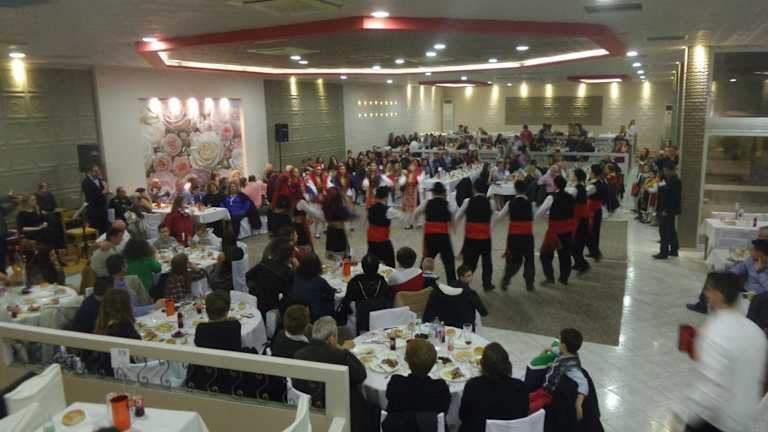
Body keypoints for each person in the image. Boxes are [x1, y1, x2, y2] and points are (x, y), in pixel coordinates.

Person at [685, 272, 767, 432]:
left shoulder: (715, 330)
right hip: (746, 421)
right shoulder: (756, 332)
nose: (706, 294)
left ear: (718, 295)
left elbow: (712, 391)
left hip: (717, 423)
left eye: (709, 290)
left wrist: (690, 422)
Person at [294, 317, 367, 432]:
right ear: (332, 338)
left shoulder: (299, 354)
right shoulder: (338, 356)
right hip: (338, 408)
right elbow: (361, 375)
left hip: (308, 406)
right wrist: (342, 350)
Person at [459, 342, 529, 432]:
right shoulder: (521, 387)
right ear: (508, 364)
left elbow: (463, 416)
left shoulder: (473, 386)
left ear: (483, 365)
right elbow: (523, 416)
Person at [383, 339, 451, 431]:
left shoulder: (396, 383)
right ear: (434, 363)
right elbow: (444, 411)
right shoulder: (440, 388)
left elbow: (389, 398)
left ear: (406, 360)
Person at [687, 239, 768, 313]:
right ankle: (702, 305)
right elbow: (739, 268)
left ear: (760, 253)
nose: (751, 251)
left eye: (753, 250)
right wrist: (724, 276)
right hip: (745, 290)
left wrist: (760, 272)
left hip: (758, 296)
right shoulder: (751, 259)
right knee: (713, 277)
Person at [529, 328, 589, 418]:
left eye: (559, 340)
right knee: (526, 398)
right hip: (544, 389)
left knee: (529, 408)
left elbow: (584, 383)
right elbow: (557, 350)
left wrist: (579, 403)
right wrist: (549, 349)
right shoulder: (566, 352)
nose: (558, 343)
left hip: (549, 396)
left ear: (563, 345)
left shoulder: (572, 368)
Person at [455, 178, 501, 291]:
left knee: (469, 263)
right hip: (485, 238)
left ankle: (462, 284)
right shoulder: (491, 203)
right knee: (487, 262)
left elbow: (457, 217)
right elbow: (494, 219)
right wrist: (488, 229)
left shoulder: (467, 201)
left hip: (471, 238)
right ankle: (487, 284)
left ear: (474, 189)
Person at [412, 182, 457, 282]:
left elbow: (415, 213)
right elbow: (453, 219)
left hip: (430, 236)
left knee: (427, 258)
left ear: (433, 192)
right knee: (449, 261)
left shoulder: (426, 203)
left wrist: (416, 224)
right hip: (443, 236)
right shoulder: (448, 205)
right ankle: (452, 282)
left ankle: (419, 280)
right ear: (443, 192)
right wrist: (454, 229)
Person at [536, 176, 575, 286]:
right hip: (567, 230)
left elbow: (540, 212)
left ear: (555, 185)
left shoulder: (551, 197)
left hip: (554, 231)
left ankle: (549, 277)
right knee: (565, 255)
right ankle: (564, 278)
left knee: (545, 254)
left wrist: (549, 220)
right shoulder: (570, 197)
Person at [498, 180, 536, 291]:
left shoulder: (510, 203)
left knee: (512, 260)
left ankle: (506, 279)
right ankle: (529, 284)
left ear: (515, 189)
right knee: (529, 260)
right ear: (525, 189)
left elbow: (500, 216)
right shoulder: (531, 204)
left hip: (513, 237)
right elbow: (533, 218)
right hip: (527, 236)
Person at [423, 265, 488, 329]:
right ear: (461, 277)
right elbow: (483, 312)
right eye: (468, 276)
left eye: (471, 275)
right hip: (465, 326)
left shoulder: (446, 288)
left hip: (447, 324)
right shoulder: (470, 293)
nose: (471, 277)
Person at [247, 240, 295, 321]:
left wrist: (255, 289)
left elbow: (248, 275)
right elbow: (289, 295)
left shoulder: (264, 262)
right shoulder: (287, 273)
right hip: (273, 306)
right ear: (290, 257)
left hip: (257, 300)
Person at [288, 252, 335, 322]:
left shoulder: (294, 275)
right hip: (313, 314)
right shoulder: (319, 281)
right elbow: (331, 294)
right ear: (317, 266)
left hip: (294, 308)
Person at [341, 254, 391, 318]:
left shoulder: (354, 282)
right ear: (378, 267)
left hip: (358, 318)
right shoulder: (382, 281)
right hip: (380, 317)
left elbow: (346, 303)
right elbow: (388, 300)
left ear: (362, 267)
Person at [366, 186, 403, 268]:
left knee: (372, 262)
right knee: (389, 264)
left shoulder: (370, 208)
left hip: (371, 241)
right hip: (383, 242)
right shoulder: (388, 210)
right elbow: (402, 216)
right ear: (386, 197)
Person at [654, 161, 681, 259]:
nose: (664, 172)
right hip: (664, 208)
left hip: (668, 210)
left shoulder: (675, 181)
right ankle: (674, 250)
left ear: (671, 170)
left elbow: (673, 198)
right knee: (671, 230)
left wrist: (666, 210)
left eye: (666, 171)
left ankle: (663, 252)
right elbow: (662, 190)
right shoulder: (667, 179)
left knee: (664, 231)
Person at [570, 169, 593, 274]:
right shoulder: (580, 187)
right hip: (580, 219)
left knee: (576, 245)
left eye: (572, 174)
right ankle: (578, 263)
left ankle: (583, 265)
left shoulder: (577, 189)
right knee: (576, 244)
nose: (571, 175)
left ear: (576, 177)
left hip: (581, 220)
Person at [322, 187, 354, 259]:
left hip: (330, 230)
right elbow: (351, 214)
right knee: (343, 256)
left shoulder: (326, 206)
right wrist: (345, 198)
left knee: (334, 255)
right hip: (339, 232)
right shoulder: (339, 208)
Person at [586, 164, 607, 261]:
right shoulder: (599, 182)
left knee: (592, 232)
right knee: (592, 232)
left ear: (594, 173)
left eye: (590, 171)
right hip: (594, 209)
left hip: (593, 211)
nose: (589, 172)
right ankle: (594, 251)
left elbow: (584, 193)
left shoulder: (594, 185)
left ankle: (596, 253)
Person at [81, 164, 110, 234]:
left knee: (105, 230)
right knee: (96, 231)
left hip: (103, 208)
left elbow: (103, 192)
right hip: (94, 210)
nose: (98, 172)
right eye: (96, 171)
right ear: (89, 172)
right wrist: (103, 192)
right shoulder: (85, 182)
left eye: (98, 170)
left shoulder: (100, 180)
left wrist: (107, 190)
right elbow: (91, 197)